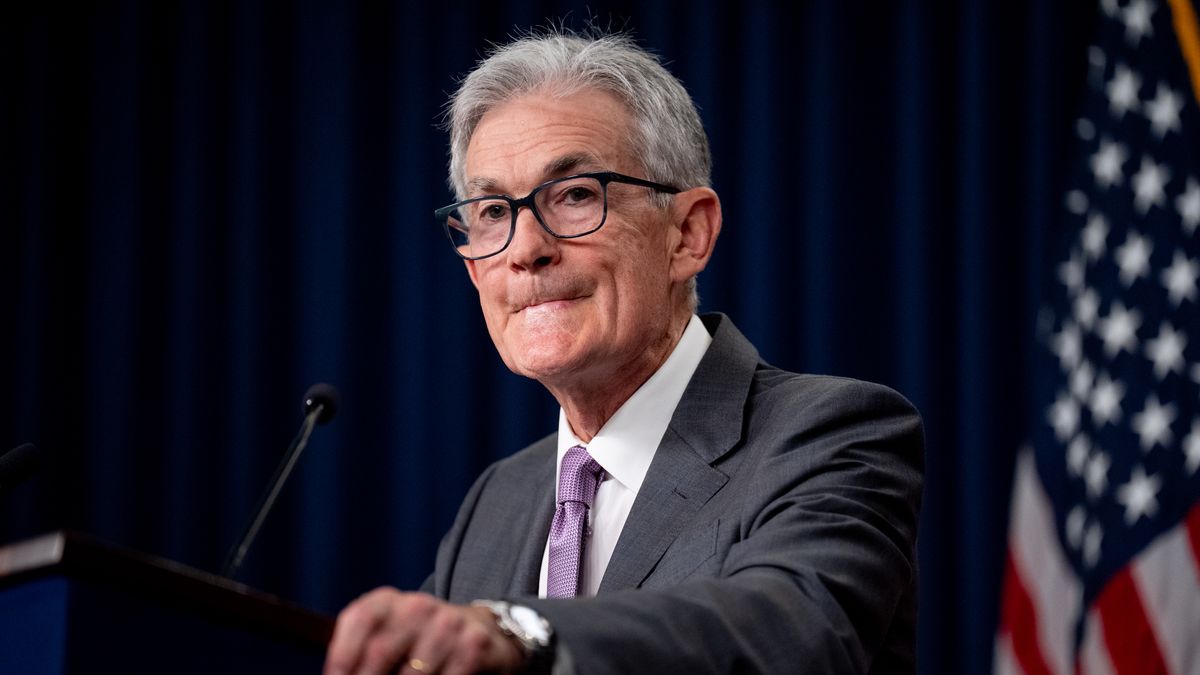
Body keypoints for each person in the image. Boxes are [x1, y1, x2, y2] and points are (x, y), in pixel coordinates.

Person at [325, 29, 923, 675]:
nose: (526, 248)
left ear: (688, 234)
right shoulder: (495, 502)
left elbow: (794, 628)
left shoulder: (831, 434)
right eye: (494, 210)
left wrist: (524, 629)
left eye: (576, 194)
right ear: (474, 267)